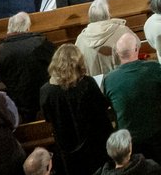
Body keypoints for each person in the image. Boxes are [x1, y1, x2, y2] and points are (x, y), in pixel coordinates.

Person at [38, 45, 113, 175]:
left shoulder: (46, 91)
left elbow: (48, 117)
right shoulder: (87, 84)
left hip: (67, 147)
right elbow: (102, 106)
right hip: (93, 144)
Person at [101, 34, 161, 156]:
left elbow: (106, 105)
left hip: (128, 141)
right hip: (157, 133)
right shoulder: (155, 68)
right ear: (137, 49)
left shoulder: (109, 79)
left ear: (117, 53)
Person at [0, 11, 55, 117]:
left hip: (20, 101)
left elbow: (2, 75)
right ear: (27, 28)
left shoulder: (1, 51)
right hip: (43, 95)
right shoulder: (40, 43)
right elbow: (55, 64)